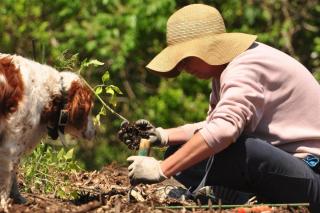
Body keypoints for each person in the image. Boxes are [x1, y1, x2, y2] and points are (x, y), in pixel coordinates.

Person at [118, 4, 320, 211]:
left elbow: (224, 130)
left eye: (185, 59)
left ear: (209, 48)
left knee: (243, 149)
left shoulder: (246, 66)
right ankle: (241, 198)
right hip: (287, 171)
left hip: (311, 174)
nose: (182, 67)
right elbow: (213, 126)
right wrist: (163, 136)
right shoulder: (224, 71)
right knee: (178, 152)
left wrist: (161, 169)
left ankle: (236, 196)